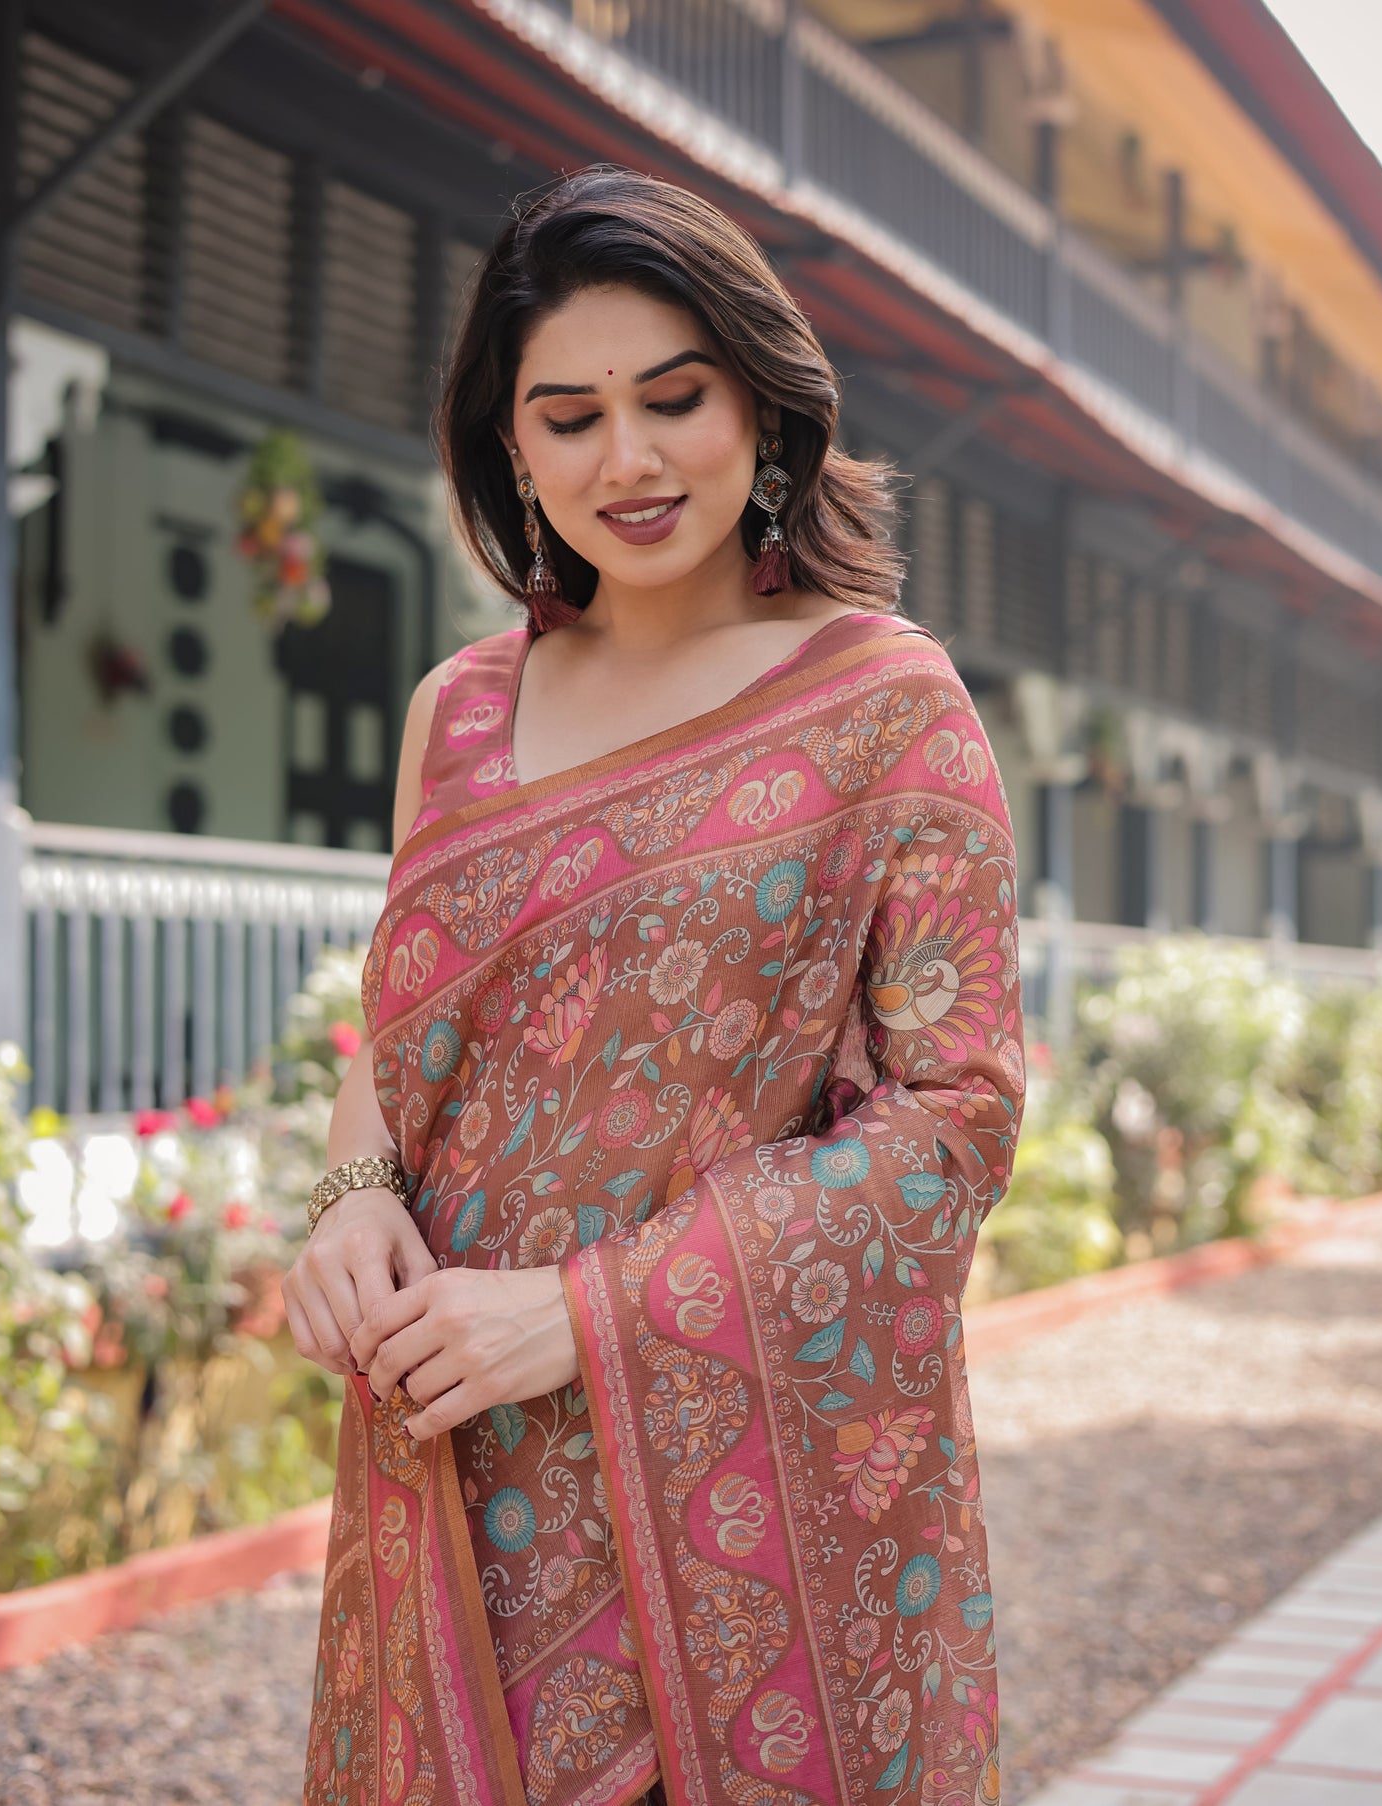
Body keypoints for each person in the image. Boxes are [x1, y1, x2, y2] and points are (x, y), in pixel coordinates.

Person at [283, 164, 1025, 1806]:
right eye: (567, 416)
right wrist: (346, 1198)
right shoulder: (458, 712)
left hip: (740, 1484)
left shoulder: (883, 706)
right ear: (510, 450)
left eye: (672, 398)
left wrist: (585, 1315)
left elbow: (956, 1117)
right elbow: (401, 1041)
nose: (626, 459)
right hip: (453, 1448)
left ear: (761, 405)